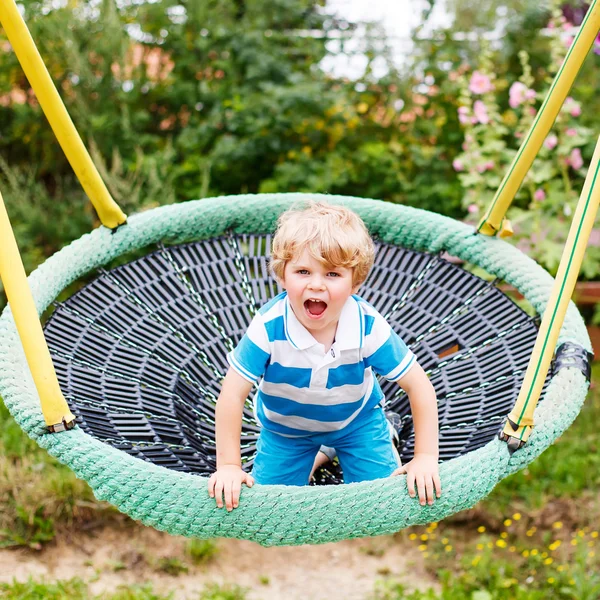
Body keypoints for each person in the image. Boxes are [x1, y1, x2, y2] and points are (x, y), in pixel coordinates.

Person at [208, 201, 441, 511]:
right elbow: (232, 395)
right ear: (282, 275)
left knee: (383, 503)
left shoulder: (367, 327)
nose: (316, 284)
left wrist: (425, 457)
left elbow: (419, 386)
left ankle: (385, 432)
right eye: (303, 271)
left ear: (354, 283)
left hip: (355, 421)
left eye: (332, 274)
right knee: (270, 510)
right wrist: (227, 466)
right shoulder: (268, 327)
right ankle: (322, 451)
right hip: (285, 429)